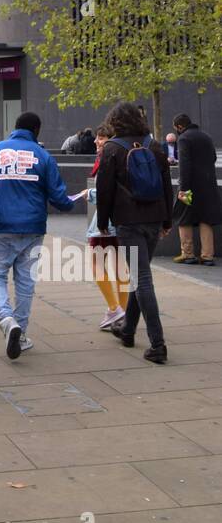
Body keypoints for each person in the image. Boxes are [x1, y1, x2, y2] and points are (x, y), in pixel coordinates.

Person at [0, 111, 76, 358]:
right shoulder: (43, 156)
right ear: (37, 131)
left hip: (0, 225)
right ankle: (19, 335)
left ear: (15, 127)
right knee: (25, 282)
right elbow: (58, 197)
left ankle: (7, 319)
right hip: (33, 227)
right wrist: (71, 203)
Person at [96, 101, 173, 363]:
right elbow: (166, 185)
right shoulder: (155, 146)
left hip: (128, 221)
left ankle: (158, 344)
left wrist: (103, 222)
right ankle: (127, 330)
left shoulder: (112, 149)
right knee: (141, 276)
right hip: (154, 218)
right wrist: (167, 220)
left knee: (142, 279)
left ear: (115, 122)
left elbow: (104, 190)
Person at [84, 124, 127, 330]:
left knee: (96, 262)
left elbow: (106, 191)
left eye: (100, 138)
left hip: (106, 221)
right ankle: (123, 313)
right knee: (121, 267)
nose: (96, 141)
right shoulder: (125, 155)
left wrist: (89, 194)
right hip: (123, 220)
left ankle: (114, 308)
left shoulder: (107, 158)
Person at [172, 114, 220, 264]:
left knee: (183, 218)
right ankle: (207, 256)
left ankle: (188, 254)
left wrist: (183, 189)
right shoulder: (206, 136)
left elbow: (184, 166)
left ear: (180, 126)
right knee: (205, 219)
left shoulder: (184, 138)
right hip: (208, 185)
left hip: (191, 186)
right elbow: (213, 157)